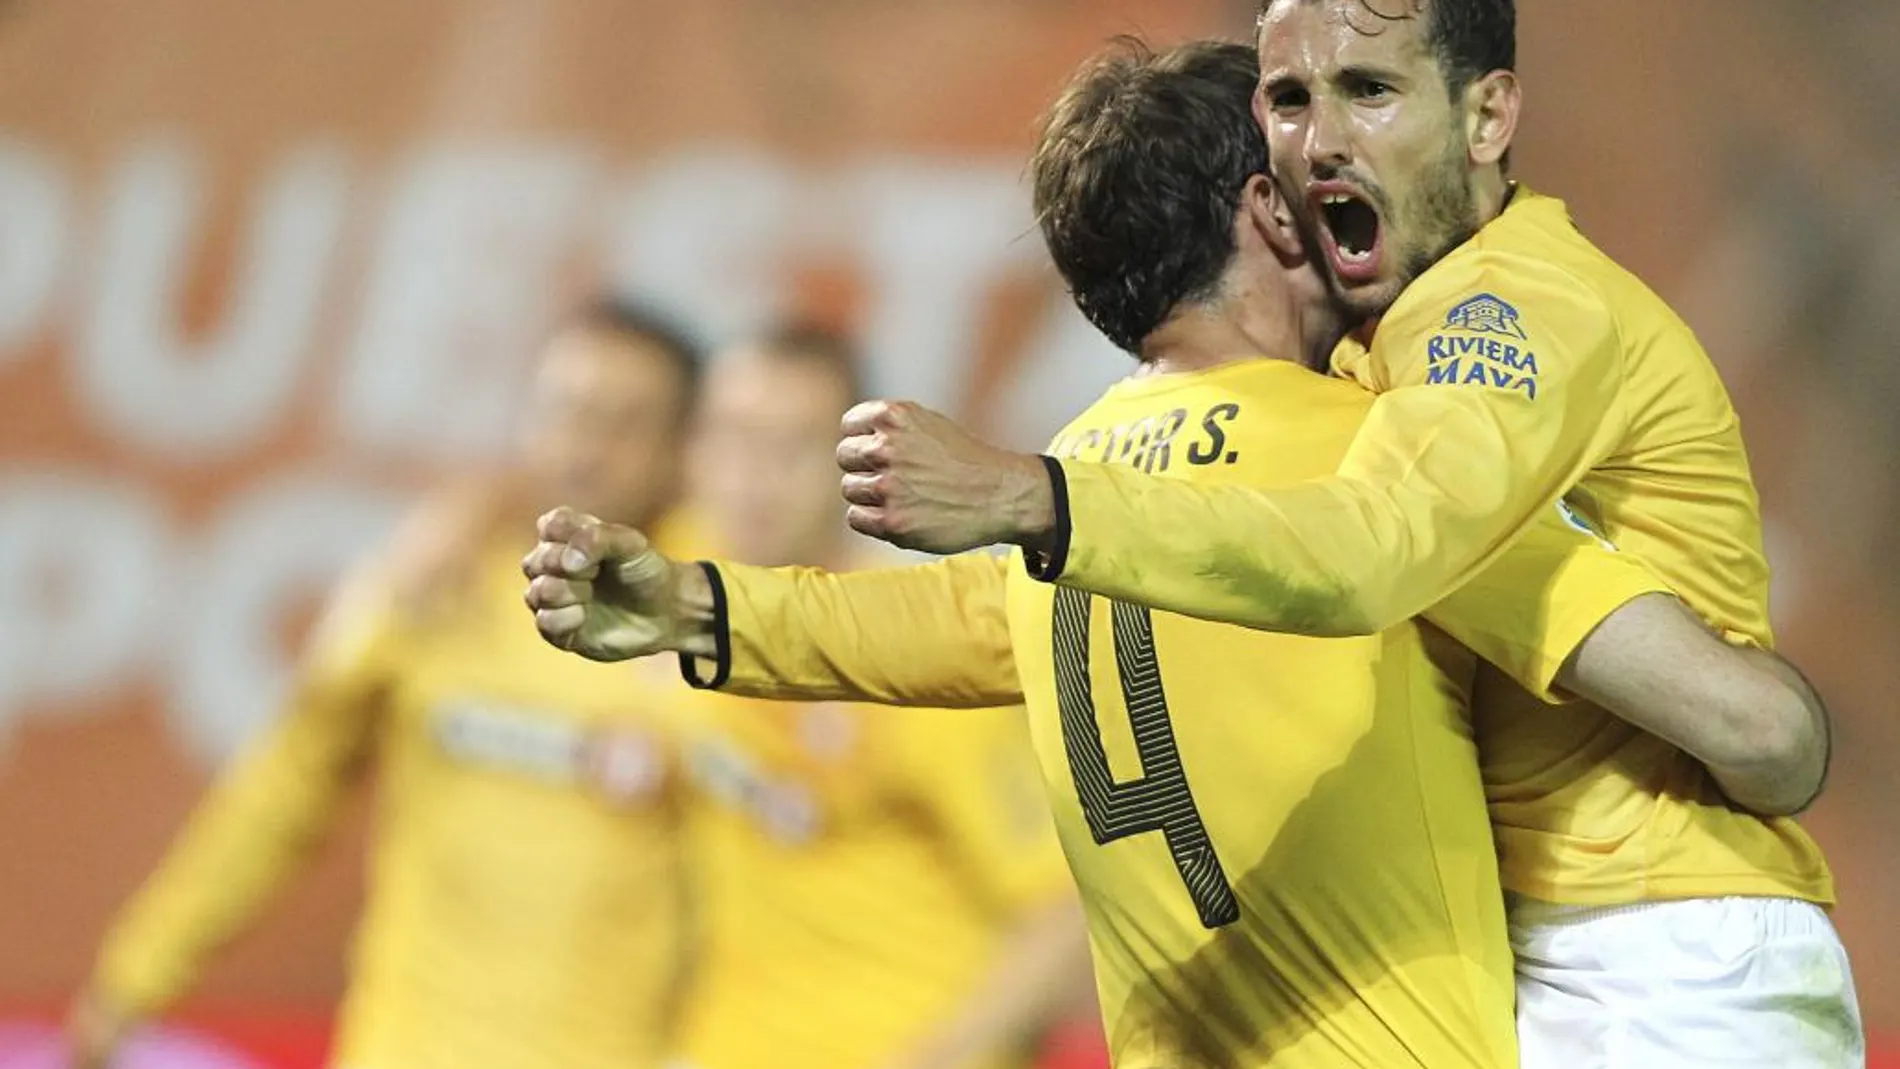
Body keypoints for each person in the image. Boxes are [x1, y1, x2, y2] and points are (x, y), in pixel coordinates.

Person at [521, 41, 1835, 1069]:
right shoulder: (1370, 466)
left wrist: (694, 607)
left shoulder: (1058, 499)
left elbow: (898, 628)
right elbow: (1750, 725)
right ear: (1270, 215)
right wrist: (1770, 733)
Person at [68, 298, 708, 1069]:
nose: (586, 445)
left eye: (625, 421)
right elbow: (285, 789)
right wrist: (137, 972)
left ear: (681, 449)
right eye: (566, 410)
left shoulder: (719, 636)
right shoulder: (432, 586)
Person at [662, 326, 1092, 1069]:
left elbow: (1060, 914)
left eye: (790, 448)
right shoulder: (680, 581)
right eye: (731, 438)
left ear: (855, 471)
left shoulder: (918, 657)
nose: (752, 477)